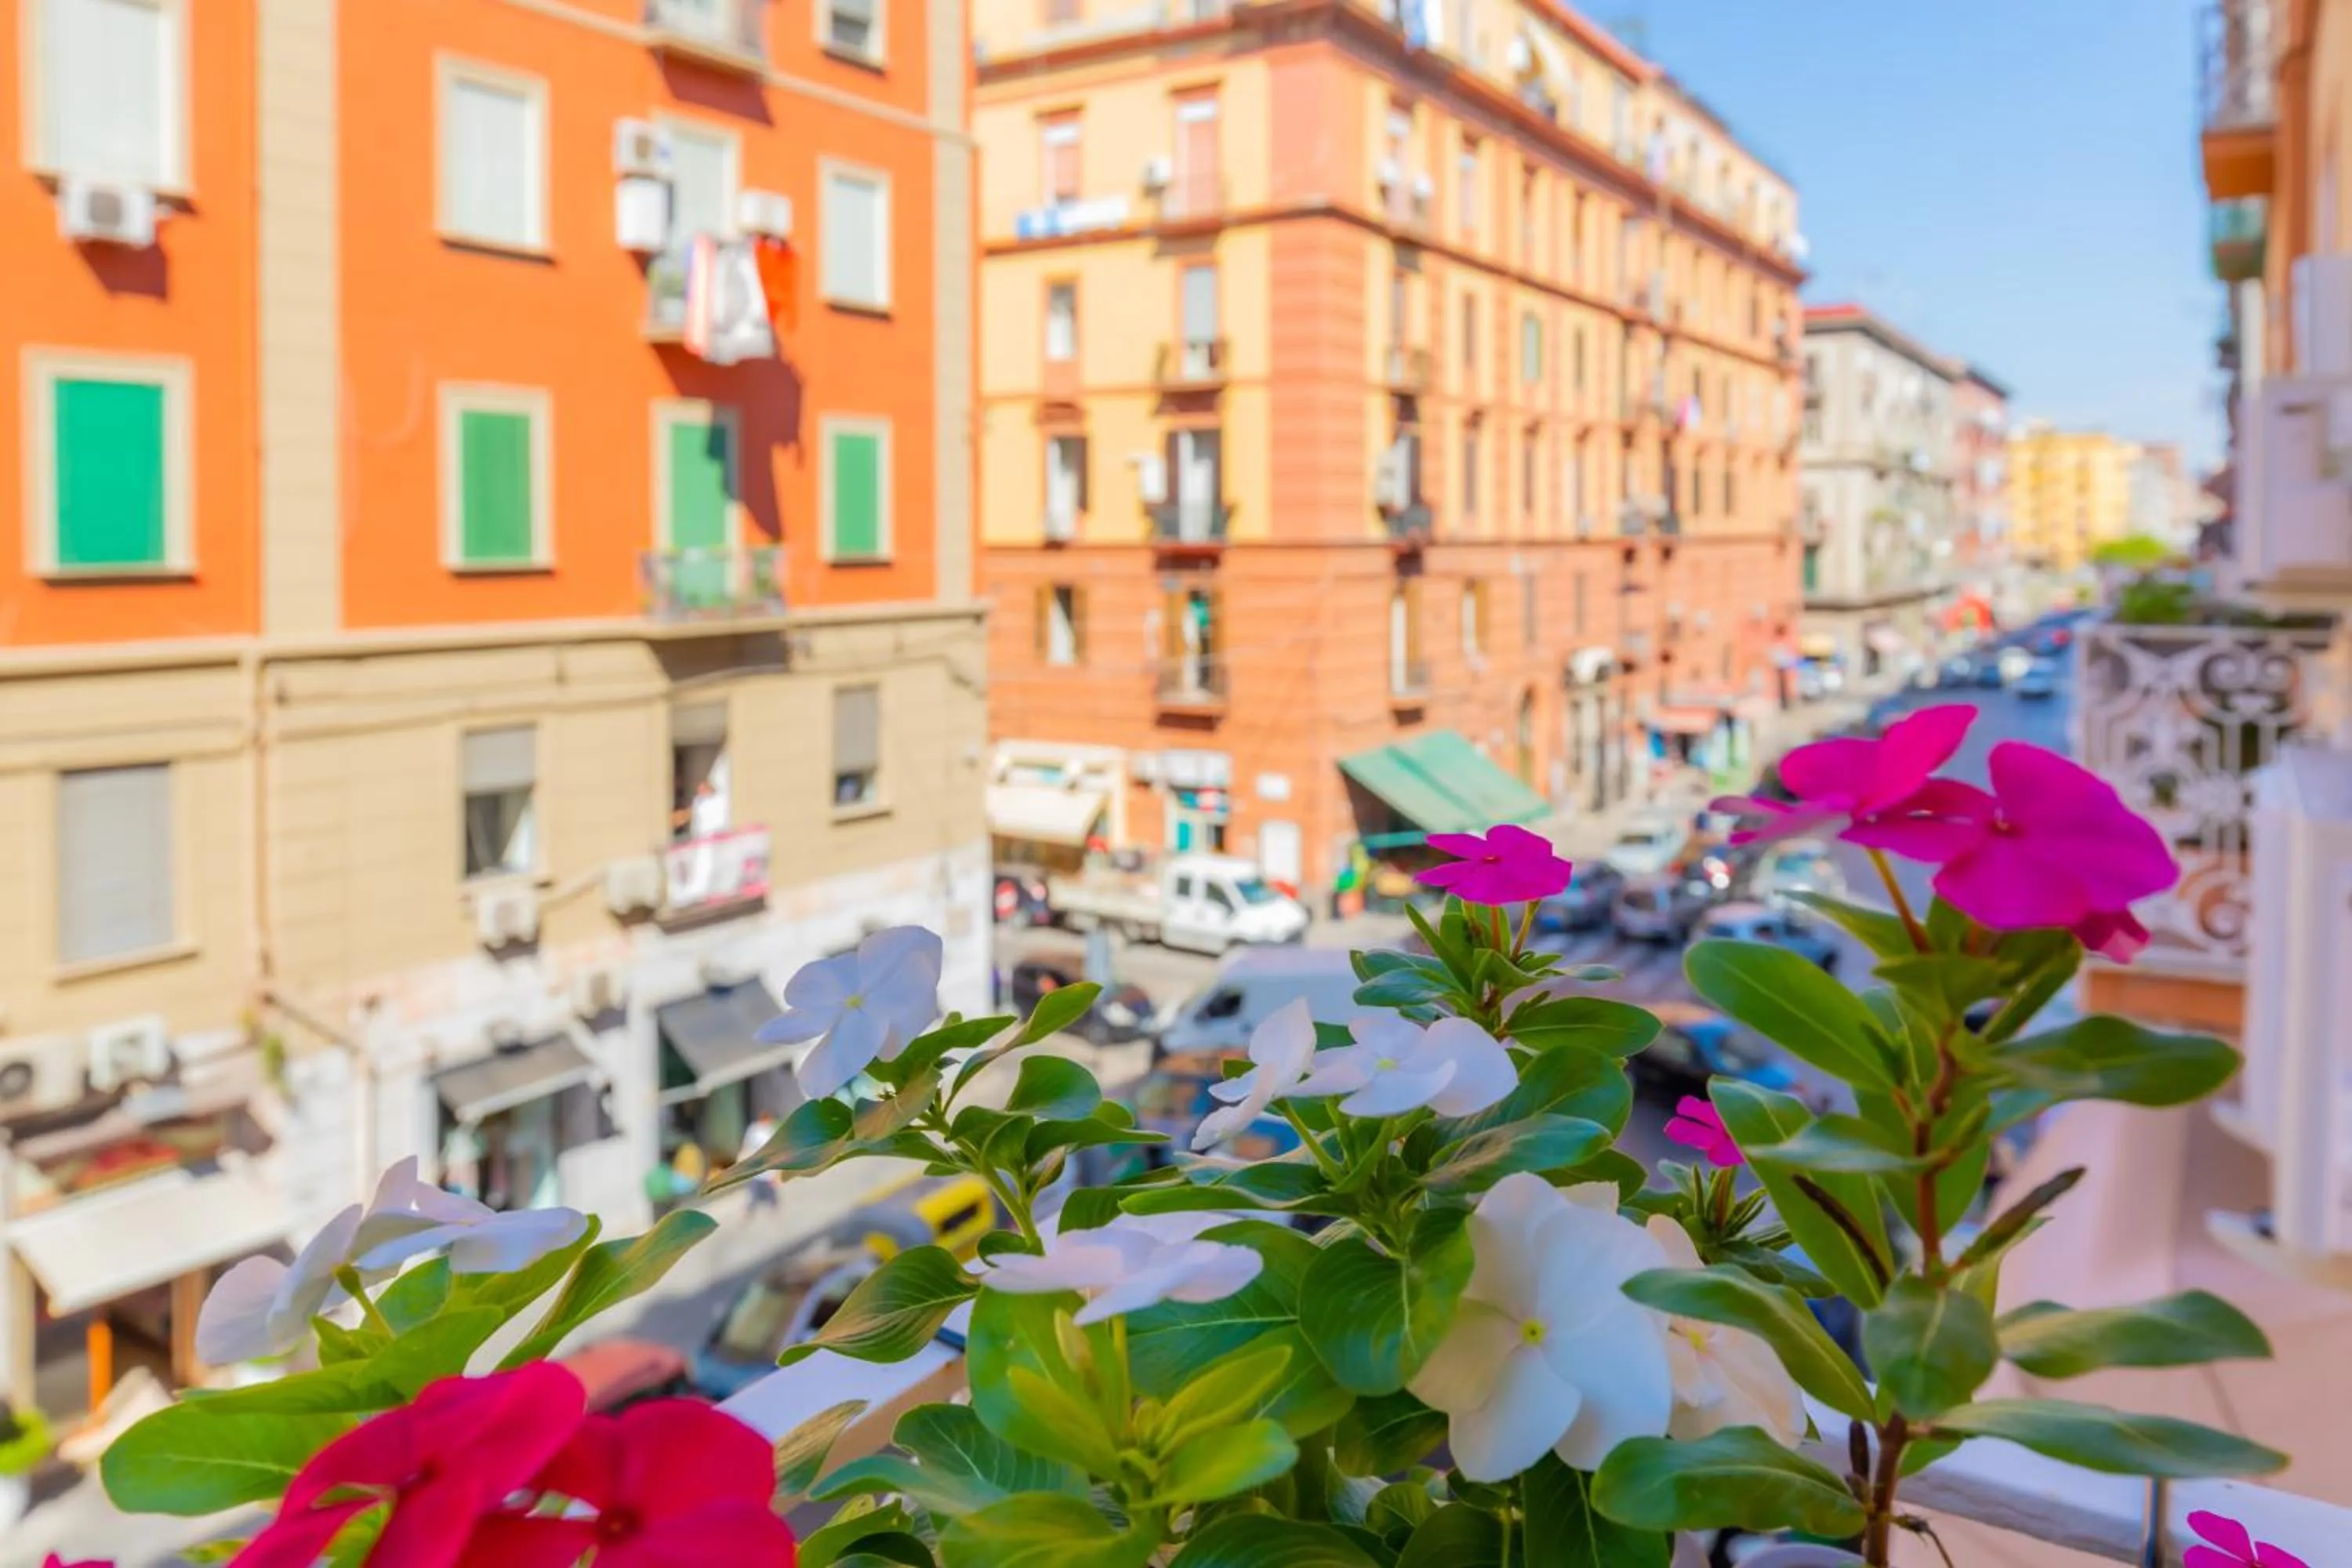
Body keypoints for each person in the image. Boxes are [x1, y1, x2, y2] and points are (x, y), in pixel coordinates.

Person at [738, 1113, 781, 1214]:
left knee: (769, 1188)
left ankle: (773, 1206)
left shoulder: (769, 1130)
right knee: (755, 1189)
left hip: (767, 1165)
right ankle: (750, 1209)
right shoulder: (754, 1129)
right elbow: (747, 1144)